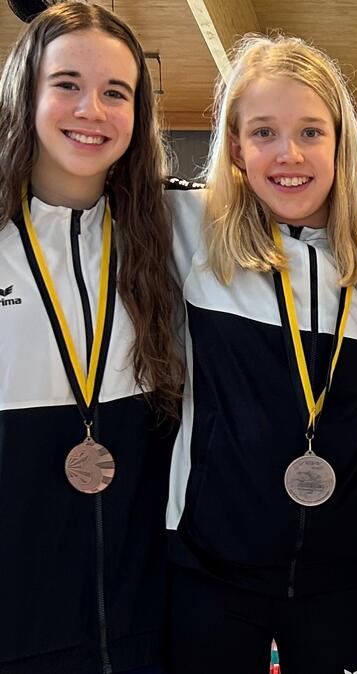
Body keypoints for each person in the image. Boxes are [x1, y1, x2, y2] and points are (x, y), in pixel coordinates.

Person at [162, 35, 357, 674]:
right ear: (235, 146)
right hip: (212, 569)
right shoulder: (187, 228)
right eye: (263, 131)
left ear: (340, 142)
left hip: (340, 578)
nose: (287, 154)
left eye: (311, 132)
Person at [0, 3, 181, 672]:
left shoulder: (170, 237)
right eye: (68, 84)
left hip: (144, 629)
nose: (92, 110)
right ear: (26, 93)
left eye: (116, 92)